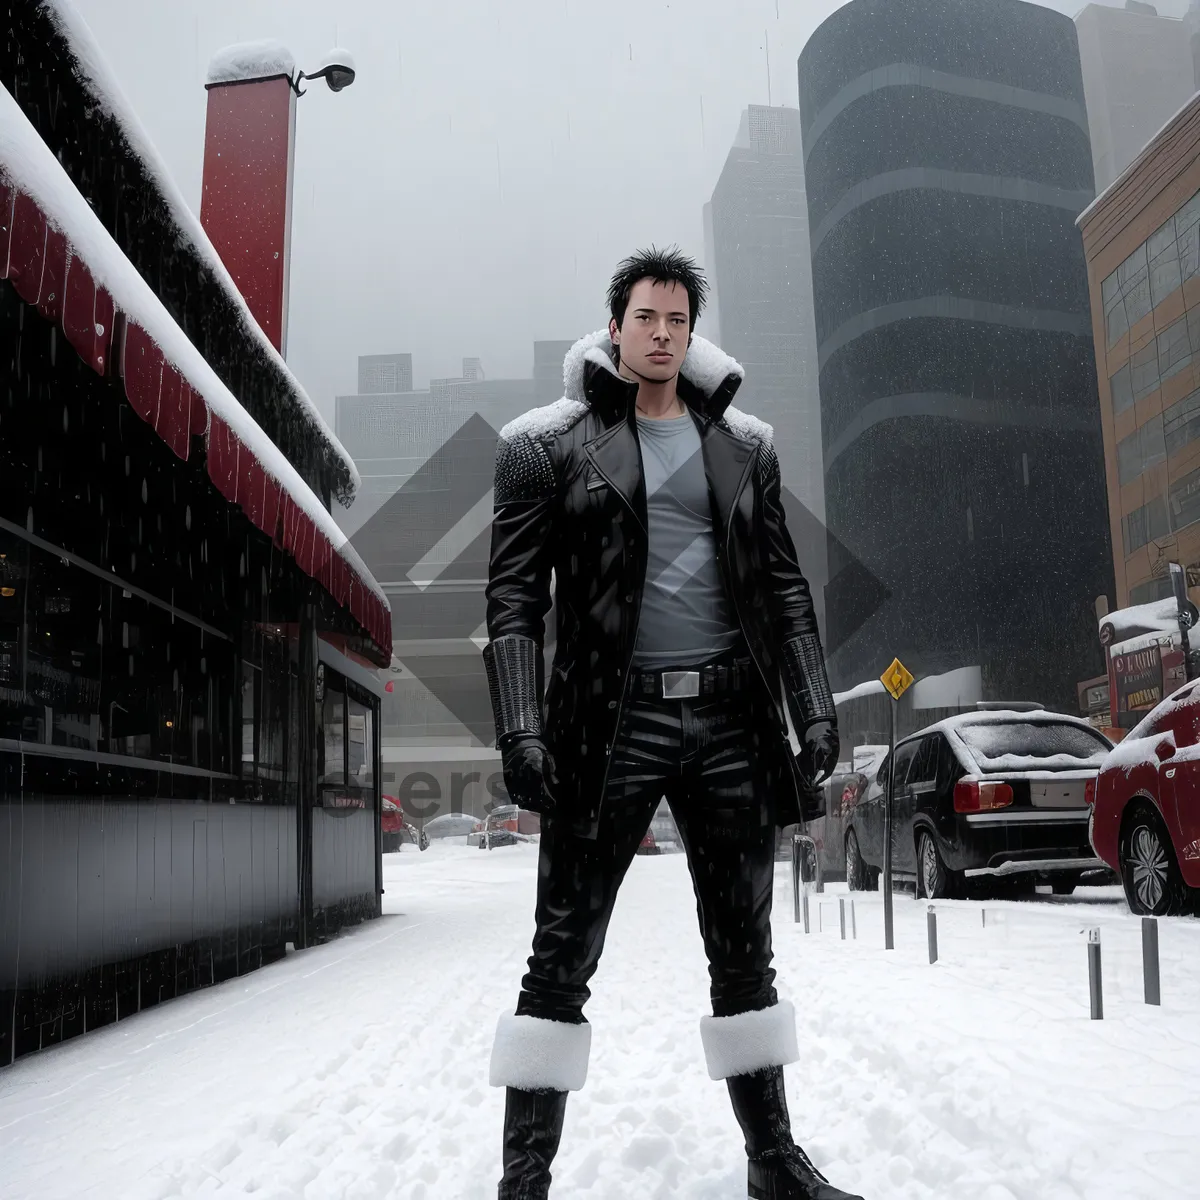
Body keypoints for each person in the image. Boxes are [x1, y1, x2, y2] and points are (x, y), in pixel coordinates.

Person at [481, 246, 861, 1200]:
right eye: (645, 318)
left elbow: (783, 588)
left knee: (746, 951)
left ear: (693, 333)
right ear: (615, 326)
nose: (660, 334)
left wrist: (814, 707)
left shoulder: (747, 448)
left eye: (677, 321)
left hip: (731, 716)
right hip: (607, 726)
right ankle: (524, 1180)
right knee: (561, 953)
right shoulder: (545, 447)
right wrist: (521, 726)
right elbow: (515, 600)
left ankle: (773, 1162)